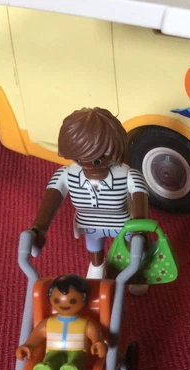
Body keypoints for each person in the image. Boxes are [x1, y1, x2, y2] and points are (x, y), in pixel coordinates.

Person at [29, 107, 149, 281]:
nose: (89, 165)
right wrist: (39, 228)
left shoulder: (128, 175)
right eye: (80, 158)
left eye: (97, 159)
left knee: (135, 249)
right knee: (94, 245)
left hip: (124, 224)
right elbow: (52, 197)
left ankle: (135, 271)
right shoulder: (66, 174)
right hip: (90, 223)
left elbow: (140, 196)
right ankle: (97, 265)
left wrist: (140, 229)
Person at [15, 275, 108, 370]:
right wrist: (28, 345)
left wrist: (97, 343)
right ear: (50, 299)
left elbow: (95, 334)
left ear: (84, 300)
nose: (64, 304)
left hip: (78, 352)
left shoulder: (86, 323)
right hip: (53, 351)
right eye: (57, 300)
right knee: (50, 360)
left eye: (73, 301)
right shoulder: (48, 322)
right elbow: (37, 335)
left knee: (76, 361)